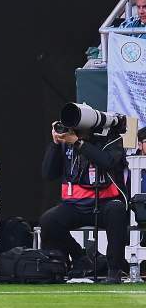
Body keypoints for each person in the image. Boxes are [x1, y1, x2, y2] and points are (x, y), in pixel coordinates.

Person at [40, 114, 129, 282]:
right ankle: (79, 258)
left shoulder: (109, 140)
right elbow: (48, 174)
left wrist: (79, 143)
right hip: (74, 205)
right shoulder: (65, 142)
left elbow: (108, 162)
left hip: (105, 203)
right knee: (48, 220)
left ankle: (114, 270)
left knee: (117, 210)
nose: (76, 131)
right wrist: (55, 144)